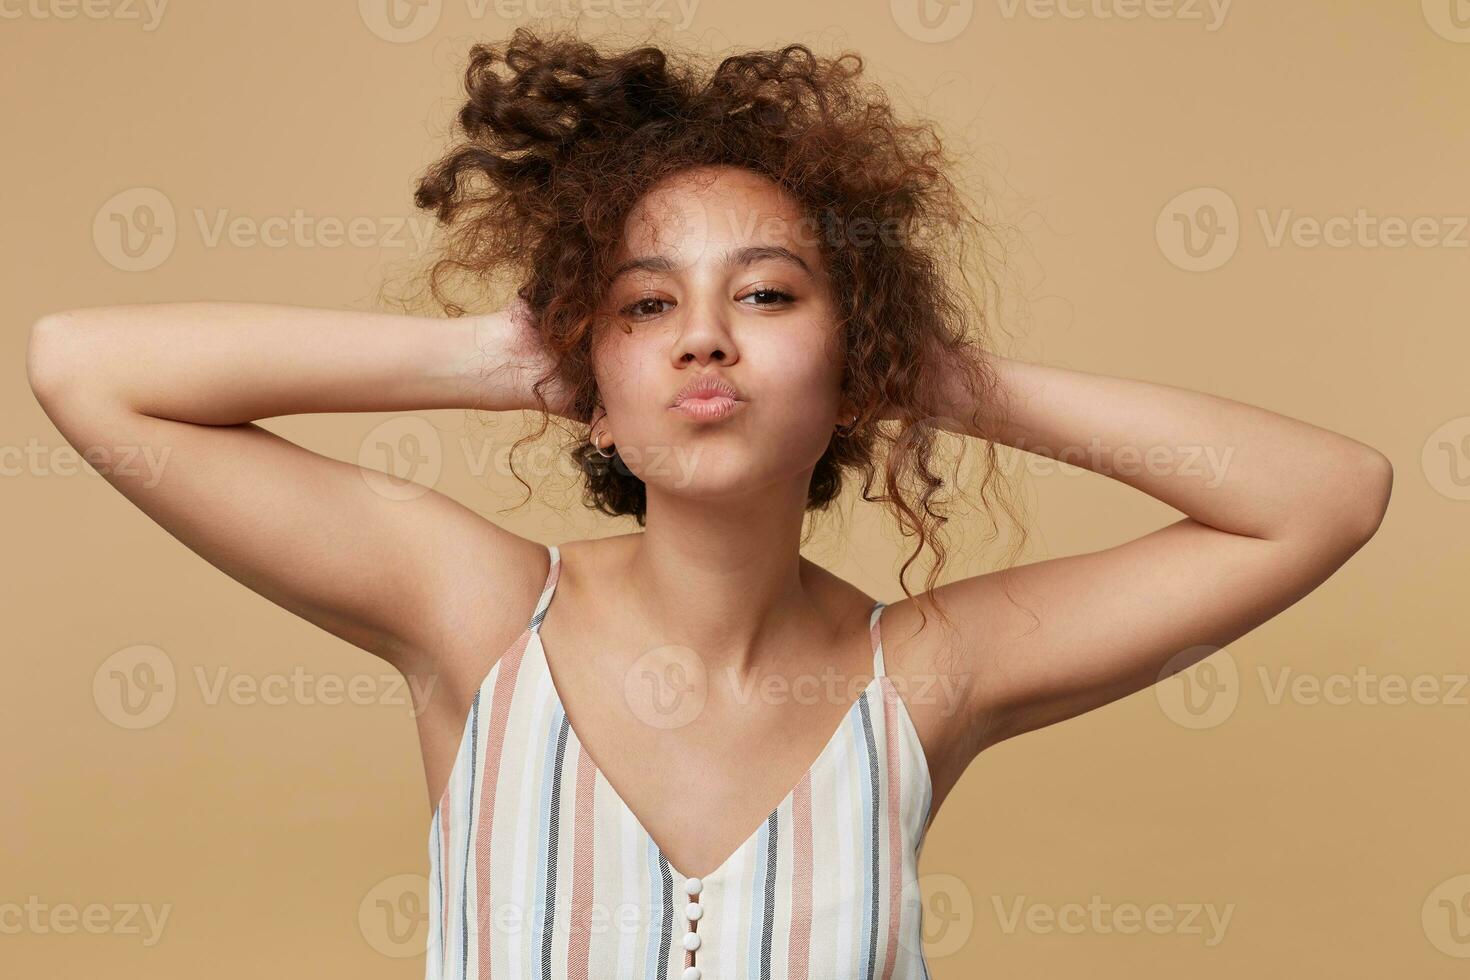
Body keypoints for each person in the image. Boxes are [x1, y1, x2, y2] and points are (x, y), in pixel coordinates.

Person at [26, 26, 1391, 980]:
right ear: (590, 368)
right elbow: (84, 370)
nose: (701, 338)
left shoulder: (919, 675)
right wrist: (502, 361)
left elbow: (1323, 496)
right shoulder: (482, 616)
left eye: (766, 294)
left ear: (851, 362)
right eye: (643, 304)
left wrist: (941, 377)